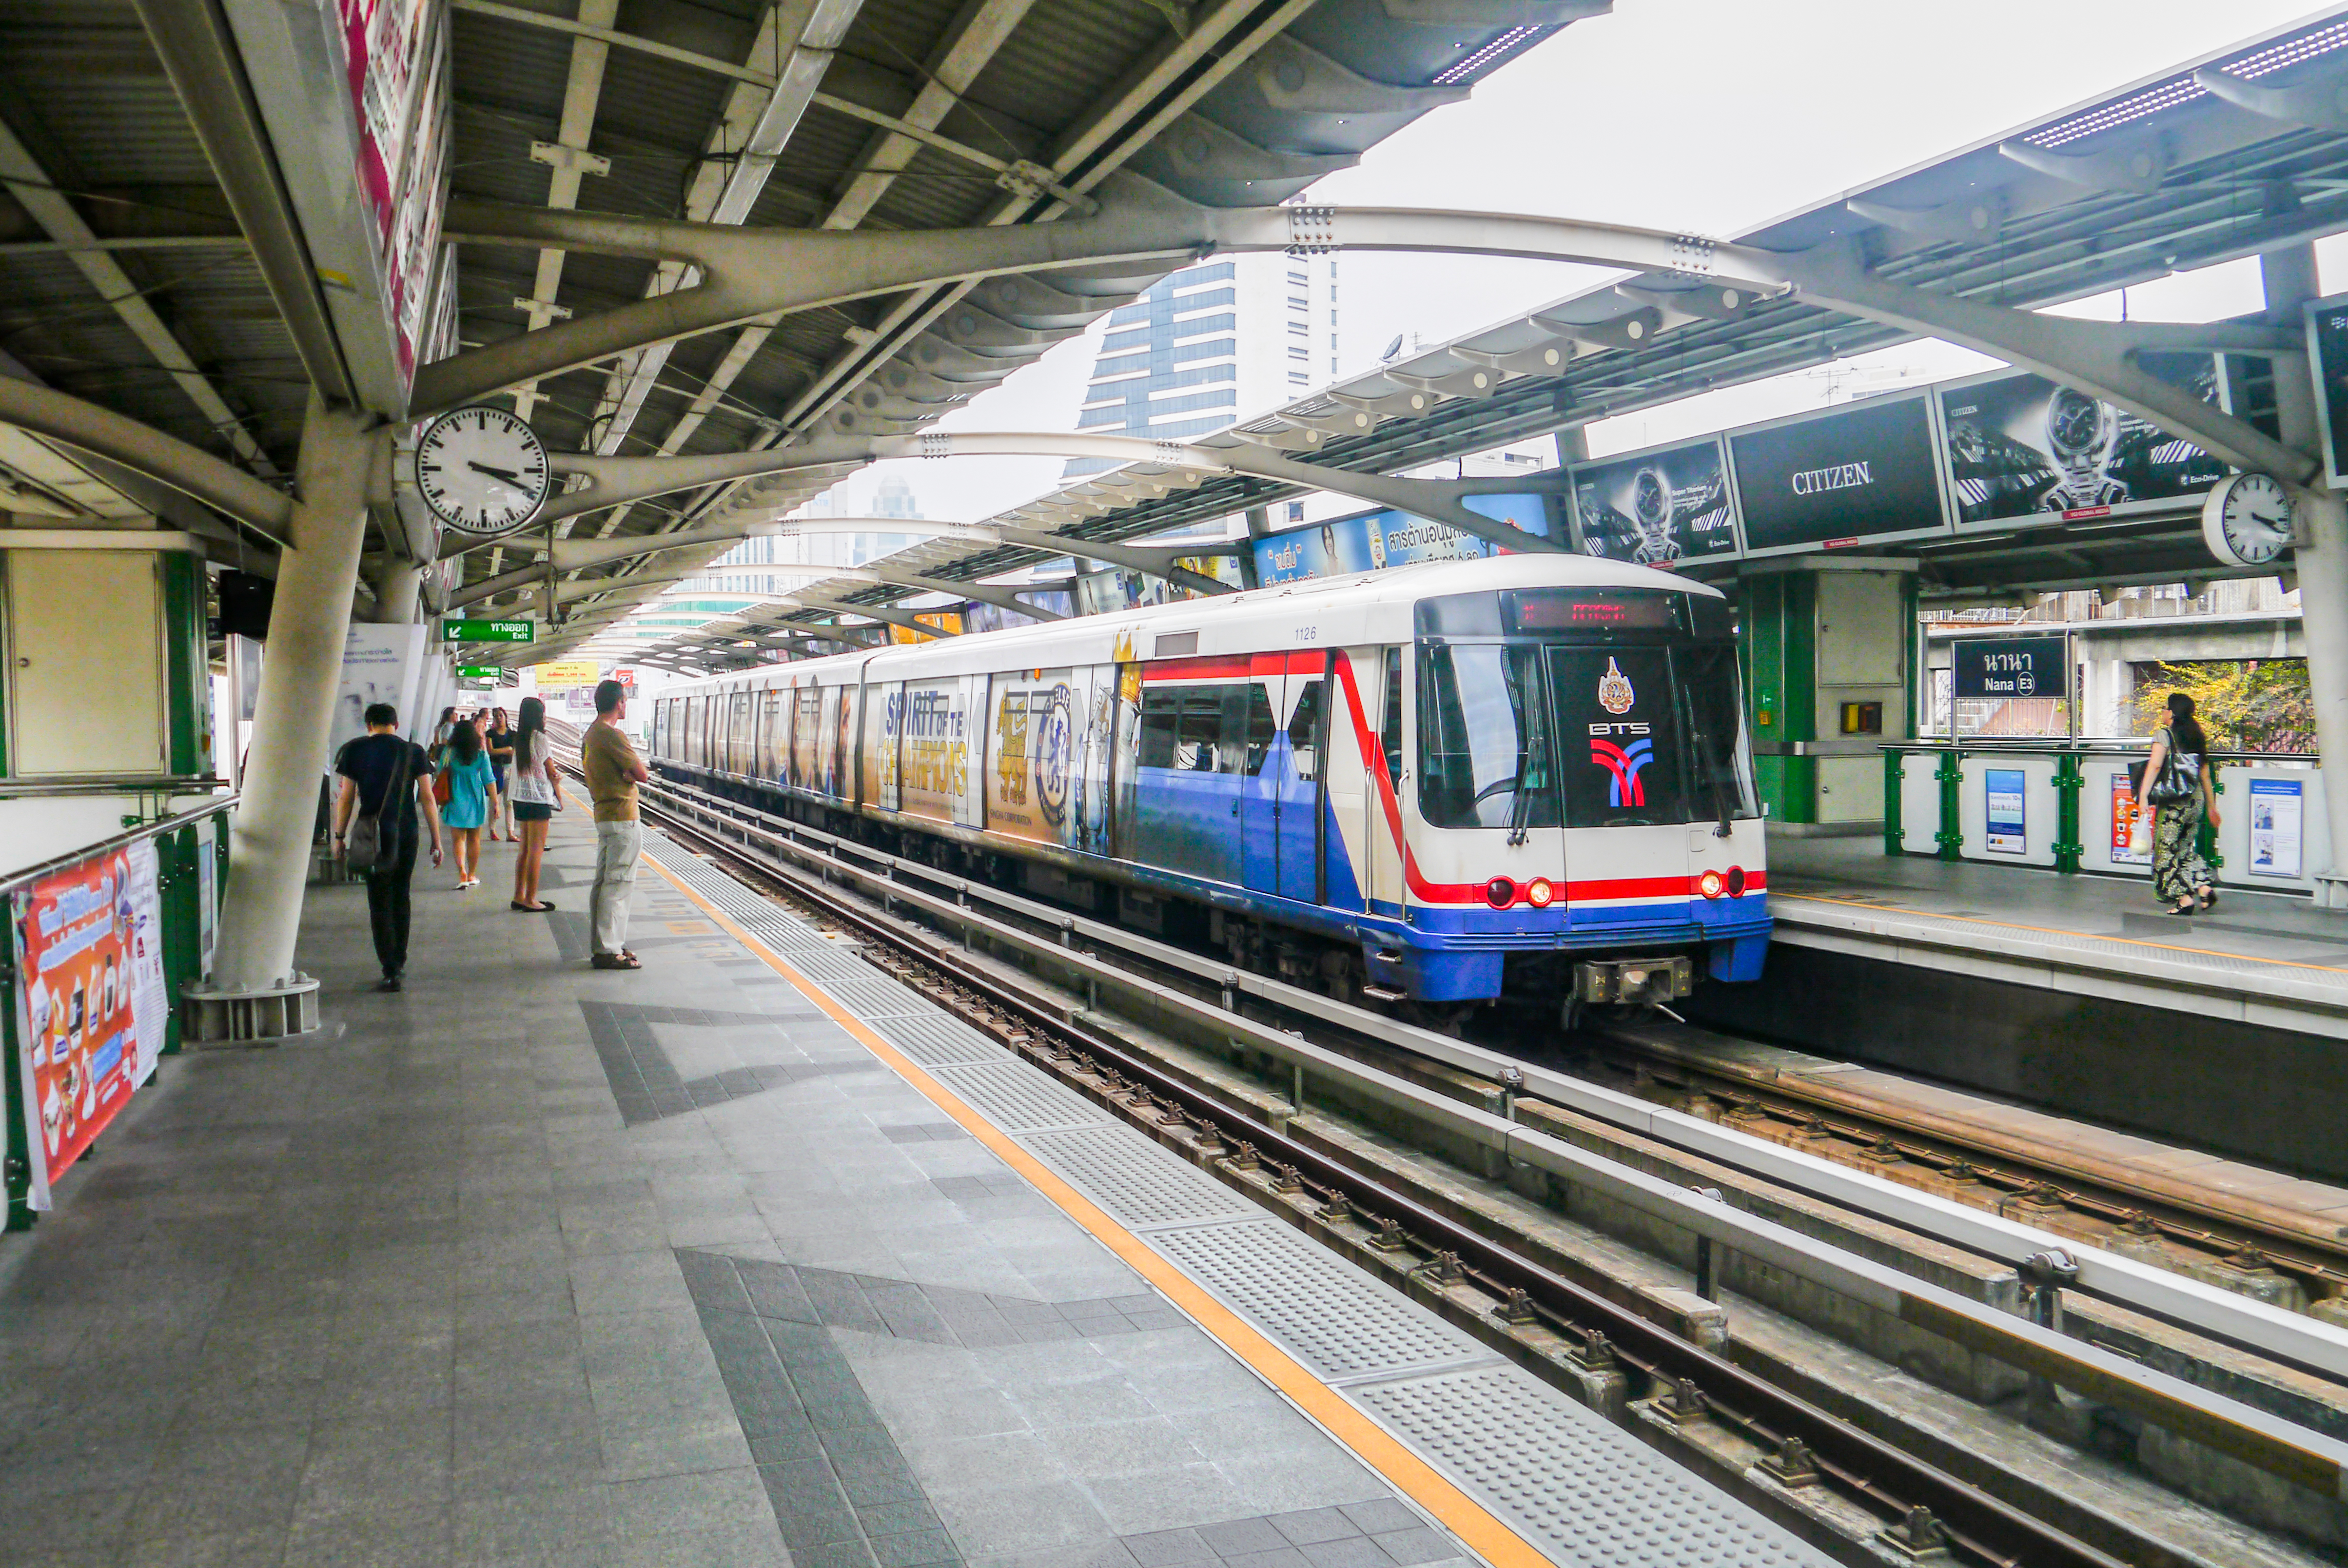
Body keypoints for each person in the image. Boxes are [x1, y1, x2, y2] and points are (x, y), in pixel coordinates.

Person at [331, 703, 442, 992]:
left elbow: (346, 798)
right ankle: (400, 958)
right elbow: (428, 798)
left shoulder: (354, 750)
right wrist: (437, 839)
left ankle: (389, 967)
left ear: (369, 725)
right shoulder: (413, 751)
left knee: (378, 899)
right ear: (396, 723)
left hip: (371, 834)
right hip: (405, 832)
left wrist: (340, 836)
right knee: (401, 894)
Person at [582, 677, 650, 970]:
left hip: (605, 816)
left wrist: (627, 774)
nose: (626, 706)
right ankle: (609, 950)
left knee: (604, 883)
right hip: (623, 817)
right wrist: (631, 774)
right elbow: (642, 773)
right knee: (619, 884)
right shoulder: (612, 735)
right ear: (619, 703)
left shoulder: (591, 734)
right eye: (624, 701)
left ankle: (605, 944)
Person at [2137, 691, 2220, 916]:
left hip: (2175, 804)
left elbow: (2154, 766)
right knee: (2184, 850)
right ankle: (2204, 888)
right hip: (2196, 802)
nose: (2162, 711)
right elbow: (2205, 776)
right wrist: (2212, 807)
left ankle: (2183, 899)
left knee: (2165, 853)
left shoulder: (2164, 735)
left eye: (2165, 708)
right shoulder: (2196, 736)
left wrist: (2143, 796)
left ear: (2172, 713)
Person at [507, 697, 566, 912]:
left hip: (521, 799)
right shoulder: (540, 739)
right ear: (539, 716)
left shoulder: (520, 739)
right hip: (538, 799)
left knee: (524, 849)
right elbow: (551, 773)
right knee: (536, 851)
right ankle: (531, 898)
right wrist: (560, 796)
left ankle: (519, 895)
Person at [438, 719, 498, 890]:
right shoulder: (481, 755)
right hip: (475, 799)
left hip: (455, 798)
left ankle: (462, 873)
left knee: (458, 839)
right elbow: (489, 780)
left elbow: (440, 772)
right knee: (474, 838)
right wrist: (495, 802)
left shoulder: (449, 753)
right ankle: (472, 874)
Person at [483, 706, 516, 841]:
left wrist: (503, 750)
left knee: (509, 802)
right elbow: (490, 751)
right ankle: (492, 830)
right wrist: (507, 749)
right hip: (495, 769)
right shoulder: (490, 734)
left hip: (510, 768)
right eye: (496, 716)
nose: (498, 718)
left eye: (501, 715)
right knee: (494, 801)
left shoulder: (513, 734)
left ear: (506, 717)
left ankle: (510, 832)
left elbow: (514, 751)